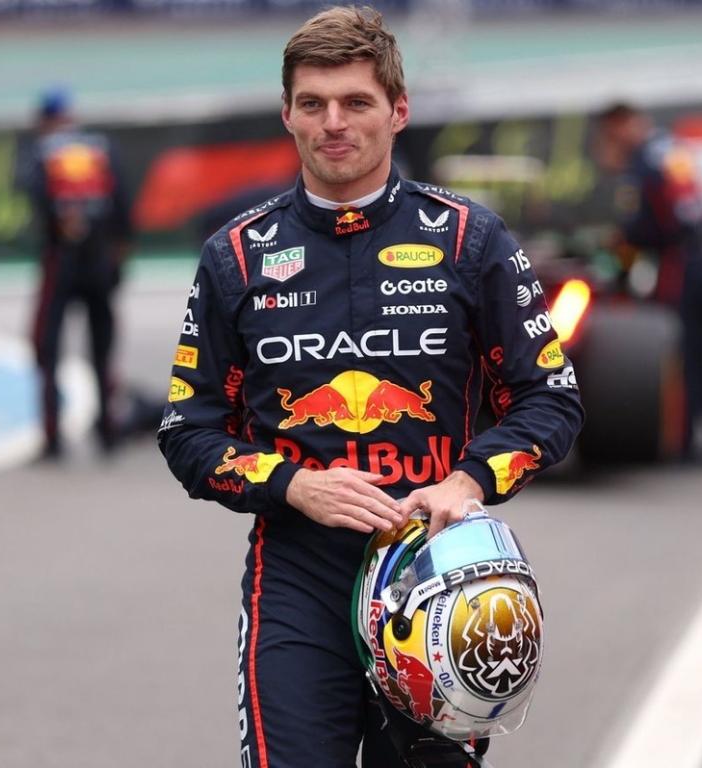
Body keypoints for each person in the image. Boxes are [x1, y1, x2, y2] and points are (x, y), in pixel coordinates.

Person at [157, 6, 584, 766]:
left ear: (398, 110)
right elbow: (187, 432)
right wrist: (292, 485)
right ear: (287, 114)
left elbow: (551, 398)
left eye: (356, 101)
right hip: (297, 578)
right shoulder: (236, 257)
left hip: (437, 573)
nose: (334, 122)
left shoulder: (468, 238)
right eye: (313, 103)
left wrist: (467, 480)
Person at [592, 103, 702, 461]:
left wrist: (618, 246)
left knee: (680, 354)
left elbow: (643, 228)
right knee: (698, 353)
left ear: (623, 125)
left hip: (685, 263)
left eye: (611, 133)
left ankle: (685, 442)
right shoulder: (671, 148)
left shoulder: (644, 162)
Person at [29, 88, 131, 458]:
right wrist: (117, 261)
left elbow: (37, 199)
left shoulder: (43, 152)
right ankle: (108, 431)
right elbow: (123, 205)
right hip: (100, 258)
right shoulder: (100, 148)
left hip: (62, 260)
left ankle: (52, 438)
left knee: (46, 347)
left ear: (44, 119)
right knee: (102, 348)